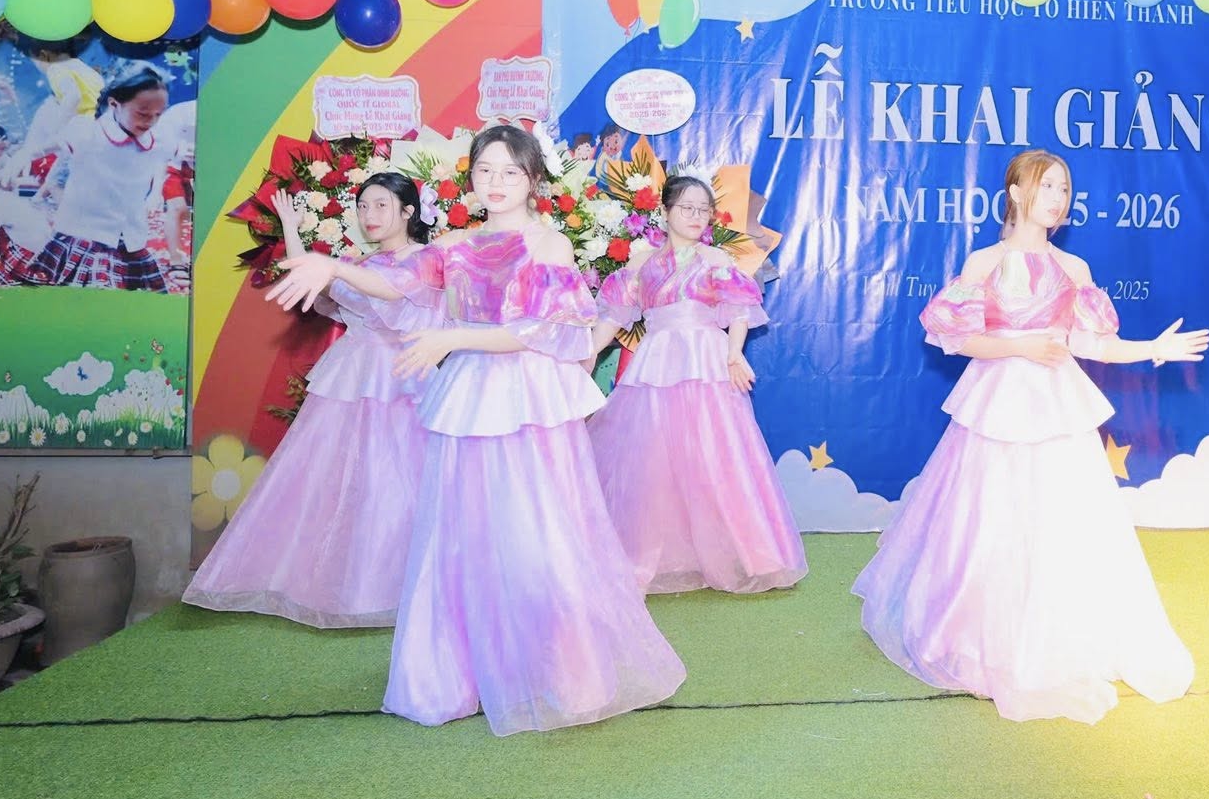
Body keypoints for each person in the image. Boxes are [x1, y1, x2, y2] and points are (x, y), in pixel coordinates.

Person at [266, 125, 686, 734]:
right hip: (467, 396)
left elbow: (541, 330)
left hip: (525, 398)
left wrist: (453, 337)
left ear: (533, 180)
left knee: (536, 534)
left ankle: (561, 674)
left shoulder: (549, 245)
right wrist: (332, 264)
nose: (495, 182)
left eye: (509, 172)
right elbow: (395, 281)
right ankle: (454, 676)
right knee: (461, 536)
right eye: (485, 170)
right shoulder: (454, 244)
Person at [852, 149, 1209, 724]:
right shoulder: (984, 262)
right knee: (990, 521)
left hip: (1057, 407)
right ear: (1017, 193)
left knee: (1061, 521)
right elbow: (959, 340)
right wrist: (1020, 345)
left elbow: (1091, 343)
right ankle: (980, 638)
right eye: (1047, 187)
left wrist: (1153, 348)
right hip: (997, 403)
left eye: (1064, 189)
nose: (1058, 198)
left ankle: (1057, 635)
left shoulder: (1074, 269)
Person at [187, 175, 439, 627]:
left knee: (398, 483)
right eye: (363, 206)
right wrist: (291, 229)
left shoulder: (423, 259)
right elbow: (314, 280)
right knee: (332, 480)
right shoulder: (358, 261)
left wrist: (333, 267)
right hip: (350, 375)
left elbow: (389, 290)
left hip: (401, 376)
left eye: (382, 205)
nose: (370, 215)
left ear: (408, 212)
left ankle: (404, 589)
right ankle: (335, 587)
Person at [588, 175, 806, 594]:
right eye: (686, 207)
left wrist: (734, 353)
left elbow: (738, 310)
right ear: (665, 211)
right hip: (656, 362)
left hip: (706, 359)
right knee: (652, 457)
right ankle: (657, 554)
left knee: (716, 453)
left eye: (703, 209)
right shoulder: (641, 263)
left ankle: (748, 554)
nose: (695, 216)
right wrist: (589, 354)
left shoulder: (716, 259)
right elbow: (613, 316)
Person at [7, 63, 190, 291]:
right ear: (114, 104)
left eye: (158, 114)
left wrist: (157, 192)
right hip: (85, 233)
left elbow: (173, 155)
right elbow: (42, 148)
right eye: (142, 113)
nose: (150, 121)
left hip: (129, 235)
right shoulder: (88, 132)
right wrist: (16, 161)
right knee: (92, 293)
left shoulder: (158, 138)